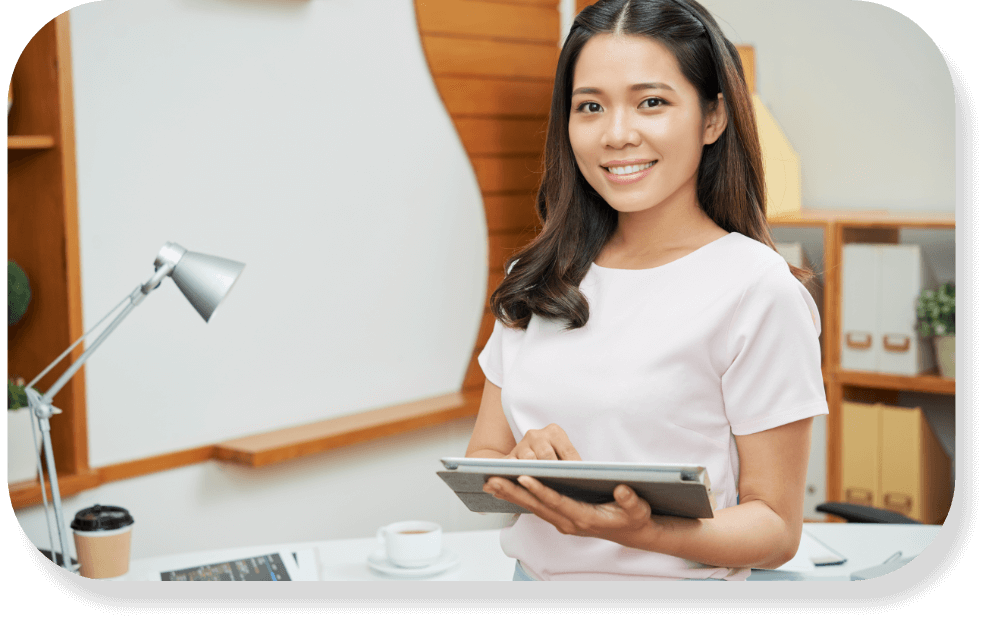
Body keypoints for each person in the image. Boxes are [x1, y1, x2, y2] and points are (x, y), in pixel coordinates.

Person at [464, 0, 829, 581]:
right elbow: (483, 460)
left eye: (651, 102)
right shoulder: (535, 277)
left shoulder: (757, 289)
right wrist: (523, 467)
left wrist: (645, 532)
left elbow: (777, 530)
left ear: (713, 118)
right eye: (590, 107)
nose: (616, 134)